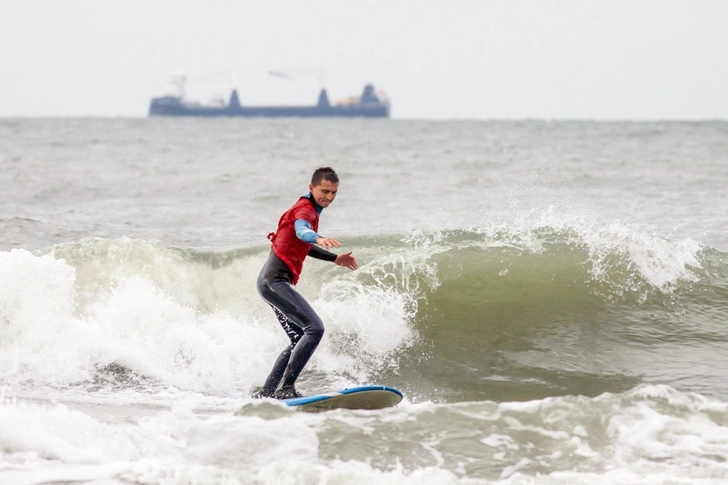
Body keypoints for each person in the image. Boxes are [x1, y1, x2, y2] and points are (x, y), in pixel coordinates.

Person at [254, 167, 358, 399]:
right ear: (311, 188)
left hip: (269, 283)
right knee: (315, 328)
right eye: (324, 191)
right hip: (275, 282)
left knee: (299, 337)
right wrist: (319, 237)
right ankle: (286, 388)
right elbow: (302, 233)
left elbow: (303, 245)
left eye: (334, 193)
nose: (329, 197)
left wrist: (335, 258)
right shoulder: (305, 210)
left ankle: (267, 393)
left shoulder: (310, 209)